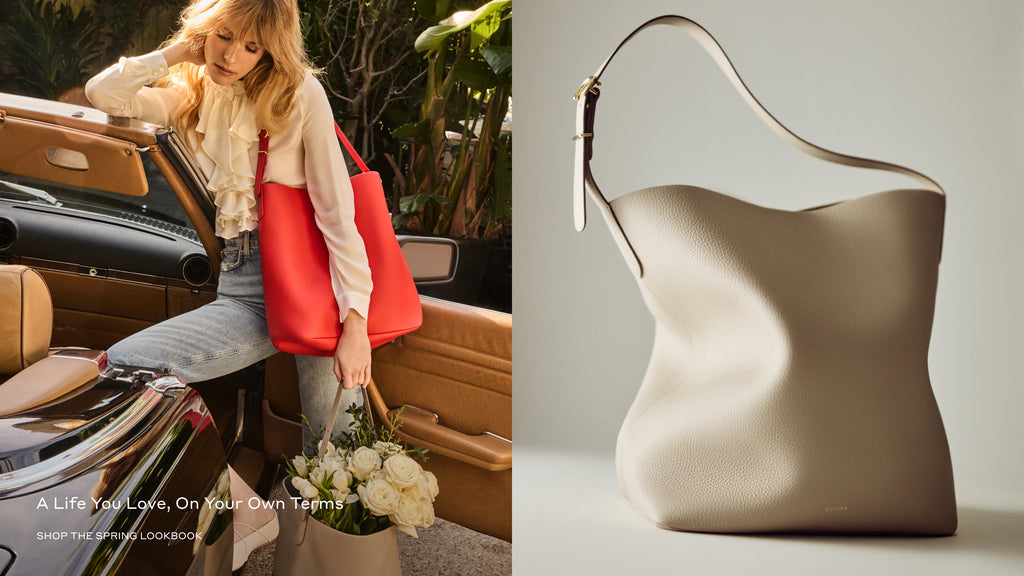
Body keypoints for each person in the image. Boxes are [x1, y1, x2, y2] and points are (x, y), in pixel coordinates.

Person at [84, 0, 373, 569]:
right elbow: (104, 96)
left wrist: (356, 322)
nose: (232, 56)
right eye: (223, 36)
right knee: (125, 364)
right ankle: (245, 509)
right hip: (244, 285)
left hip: (309, 283)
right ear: (204, 30)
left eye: (251, 46)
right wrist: (175, 53)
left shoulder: (300, 95)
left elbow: (338, 216)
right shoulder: (194, 89)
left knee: (340, 455)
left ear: (272, 49)